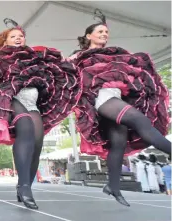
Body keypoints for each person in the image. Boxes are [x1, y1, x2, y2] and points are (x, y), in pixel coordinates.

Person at [69, 9, 170, 206]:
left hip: (114, 98)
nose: (104, 35)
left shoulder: (115, 54)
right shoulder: (79, 56)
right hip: (101, 100)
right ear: (89, 35)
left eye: (106, 32)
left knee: (118, 144)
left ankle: (113, 186)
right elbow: (66, 72)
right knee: (141, 121)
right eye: (100, 32)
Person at [0, 18, 80, 210]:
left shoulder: (34, 56)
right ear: (5, 41)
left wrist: (65, 59)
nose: (18, 39)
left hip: (32, 101)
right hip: (11, 98)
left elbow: (54, 65)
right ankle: (25, 189)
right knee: (24, 128)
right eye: (13, 36)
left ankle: (25, 184)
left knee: (37, 143)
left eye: (21, 36)